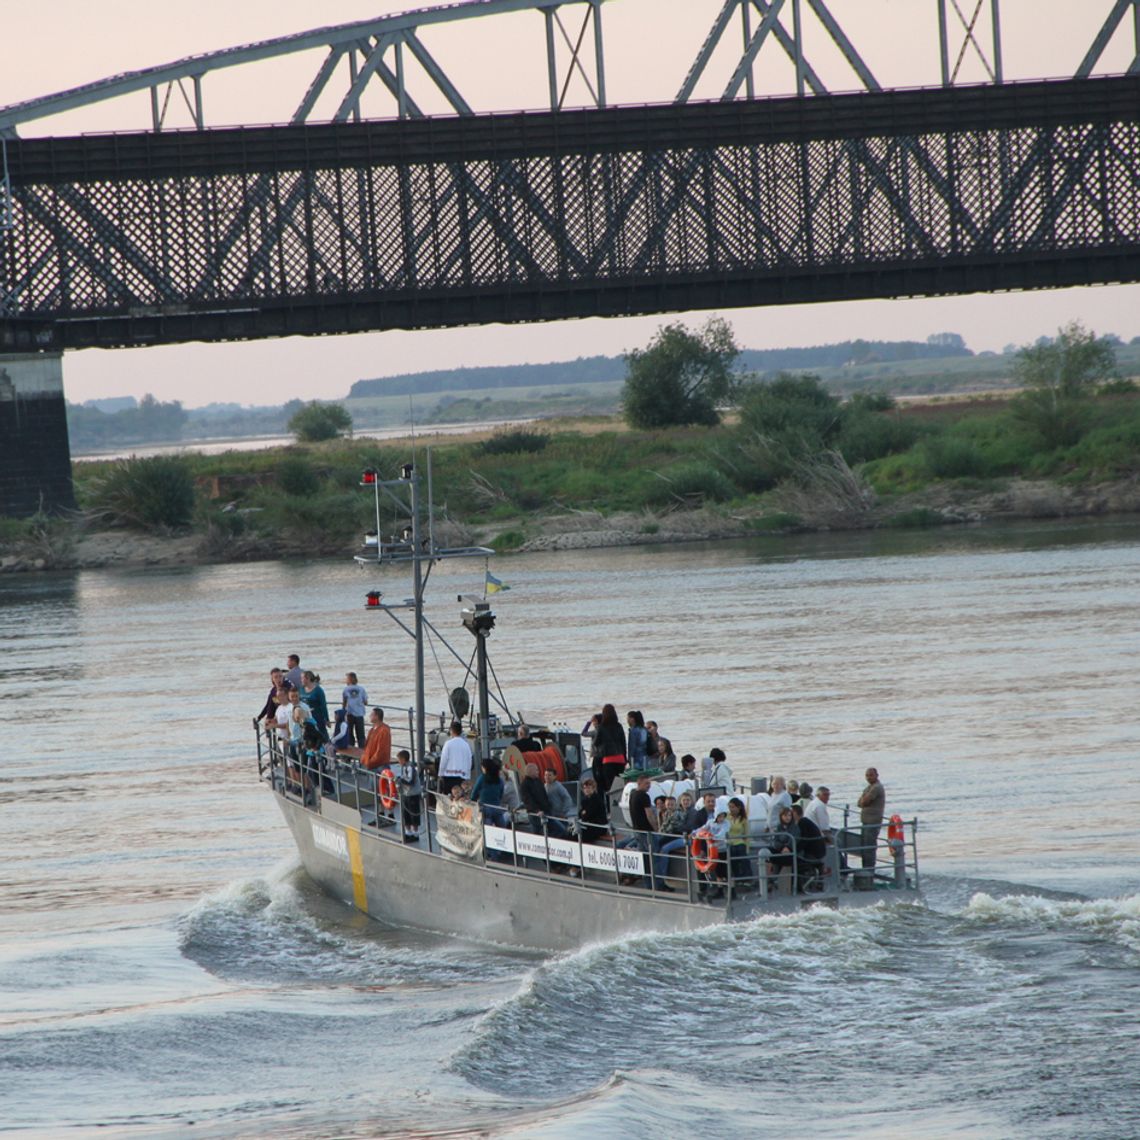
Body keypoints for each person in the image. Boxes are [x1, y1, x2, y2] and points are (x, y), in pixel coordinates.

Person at [625, 772, 671, 891]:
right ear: (639, 783)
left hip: (637, 831)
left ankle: (648, 884)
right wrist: (656, 829)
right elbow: (649, 814)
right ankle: (659, 885)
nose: (648, 786)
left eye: (649, 784)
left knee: (644, 858)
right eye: (646, 784)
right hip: (647, 832)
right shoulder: (643, 796)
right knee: (654, 858)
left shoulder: (633, 794)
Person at [594, 704, 627, 793]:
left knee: (610, 787)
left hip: (608, 760)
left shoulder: (602, 727)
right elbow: (623, 743)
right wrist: (625, 758)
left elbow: (596, 742)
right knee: (620, 785)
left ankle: (611, 805)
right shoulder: (619, 726)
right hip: (620, 759)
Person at [857, 767, 886, 868]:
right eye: (867, 775)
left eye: (871, 775)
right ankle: (865, 869)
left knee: (869, 848)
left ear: (877, 775)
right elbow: (859, 803)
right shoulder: (869, 787)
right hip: (866, 822)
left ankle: (869, 870)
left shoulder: (876, 787)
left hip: (873, 822)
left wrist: (863, 801)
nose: (868, 778)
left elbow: (864, 801)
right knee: (864, 847)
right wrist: (863, 801)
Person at [437, 721, 473, 798]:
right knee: (460, 799)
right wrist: (468, 776)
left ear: (451, 731)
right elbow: (469, 761)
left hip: (448, 777)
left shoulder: (448, 744)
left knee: (449, 799)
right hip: (461, 777)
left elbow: (444, 760)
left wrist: (440, 774)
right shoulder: (466, 745)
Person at [767, 805, 799, 887]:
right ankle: (771, 878)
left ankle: (772, 879)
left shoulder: (795, 827)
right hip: (781, 850)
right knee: (769, 851)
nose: (787, 818)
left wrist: (787, 847)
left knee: (776, 859)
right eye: (785, 815)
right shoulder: (779, 827)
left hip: (792, 852)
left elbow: (794, 839)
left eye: (789, 815)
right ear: (781, 817)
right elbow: (776, 841)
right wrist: (782, 847)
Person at [725, 796, 752, 893]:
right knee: (732, 855)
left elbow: (746, 834)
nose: (731, 809)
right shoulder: (726, 817)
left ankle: (747, 878)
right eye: (730, 807)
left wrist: (747, 847)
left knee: (742, 854)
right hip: (729, 842)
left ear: (738, 807)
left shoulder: (743, 819)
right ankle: (737, 878)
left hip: (739, 841)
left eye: (733, 807)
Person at [395, 749, 422, 840]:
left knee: (413, 813)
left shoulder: (410, 767)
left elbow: (410, 781)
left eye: (399, 759)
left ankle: (415, 833)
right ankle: (408, 832)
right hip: (405, 794)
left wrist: (400, 780)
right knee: (405, 813)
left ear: (403, 759)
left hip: (412, 794)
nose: (398, 762)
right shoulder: (403, 767)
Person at [577, 774, 609, 843]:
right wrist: (583, 813)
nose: (586, 790)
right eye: (585, 788)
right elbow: (580, 814)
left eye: (588, 788)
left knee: (583, 835)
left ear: (593, 788)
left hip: (599, 826)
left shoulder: (596, 799)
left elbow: (587, 815)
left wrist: (584, 813)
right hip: (590, 824)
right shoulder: (585, 800)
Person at [342, 672, 369, 748]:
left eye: (346, 679)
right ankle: (362, 752)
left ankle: (351, 750)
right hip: (360, 714)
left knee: (350, 734)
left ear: (349, 680)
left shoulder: (346, 689)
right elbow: (365, 702)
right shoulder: (361, 689)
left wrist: (343, 713)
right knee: (361, 735)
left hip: (349, 714)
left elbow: (344, 702)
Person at [300, 671, 329, 737]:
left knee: (321, 736)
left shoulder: (318, 690)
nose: (301, 680)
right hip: (305, 718)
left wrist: (327, 719)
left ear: (308, 678)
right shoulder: (301, 689)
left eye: (302, 678)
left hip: (317, 717)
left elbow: (323, 705)